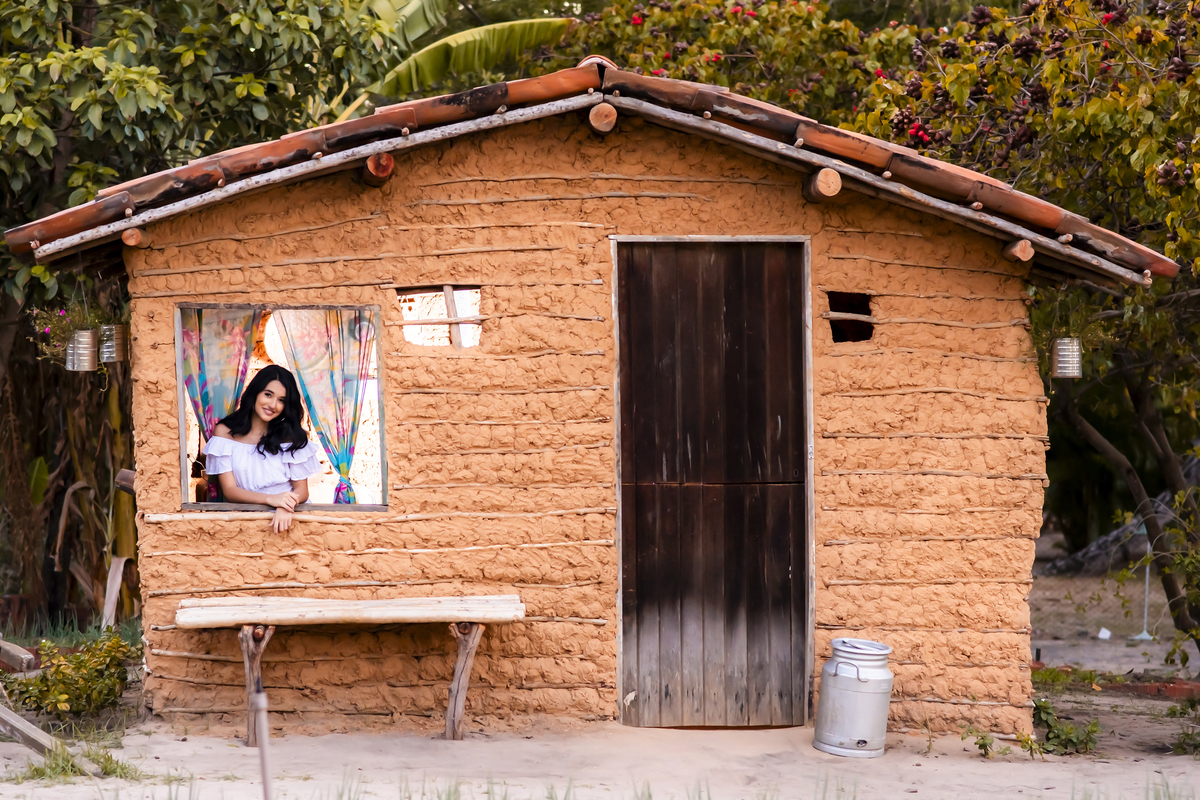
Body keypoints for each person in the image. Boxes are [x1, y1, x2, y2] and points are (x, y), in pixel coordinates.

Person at [203, 364, 320, 533]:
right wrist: (272, 500)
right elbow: (230, 491)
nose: (273, 405)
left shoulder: (290, 437)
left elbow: (302, 490)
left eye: (281, 400)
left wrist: (286, 505)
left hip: (289, 517)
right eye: (268, 394)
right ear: (255, 392)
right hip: (248, 520)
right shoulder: (224, 433)